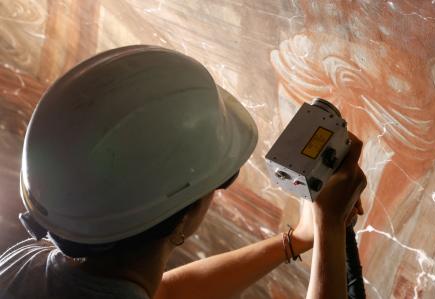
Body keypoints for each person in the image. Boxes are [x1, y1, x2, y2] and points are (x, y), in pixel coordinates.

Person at [0, 45, 366, 299]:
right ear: (184, 220)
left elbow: (167, 293)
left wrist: (299, 239)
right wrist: (330, 228)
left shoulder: (22, 268)